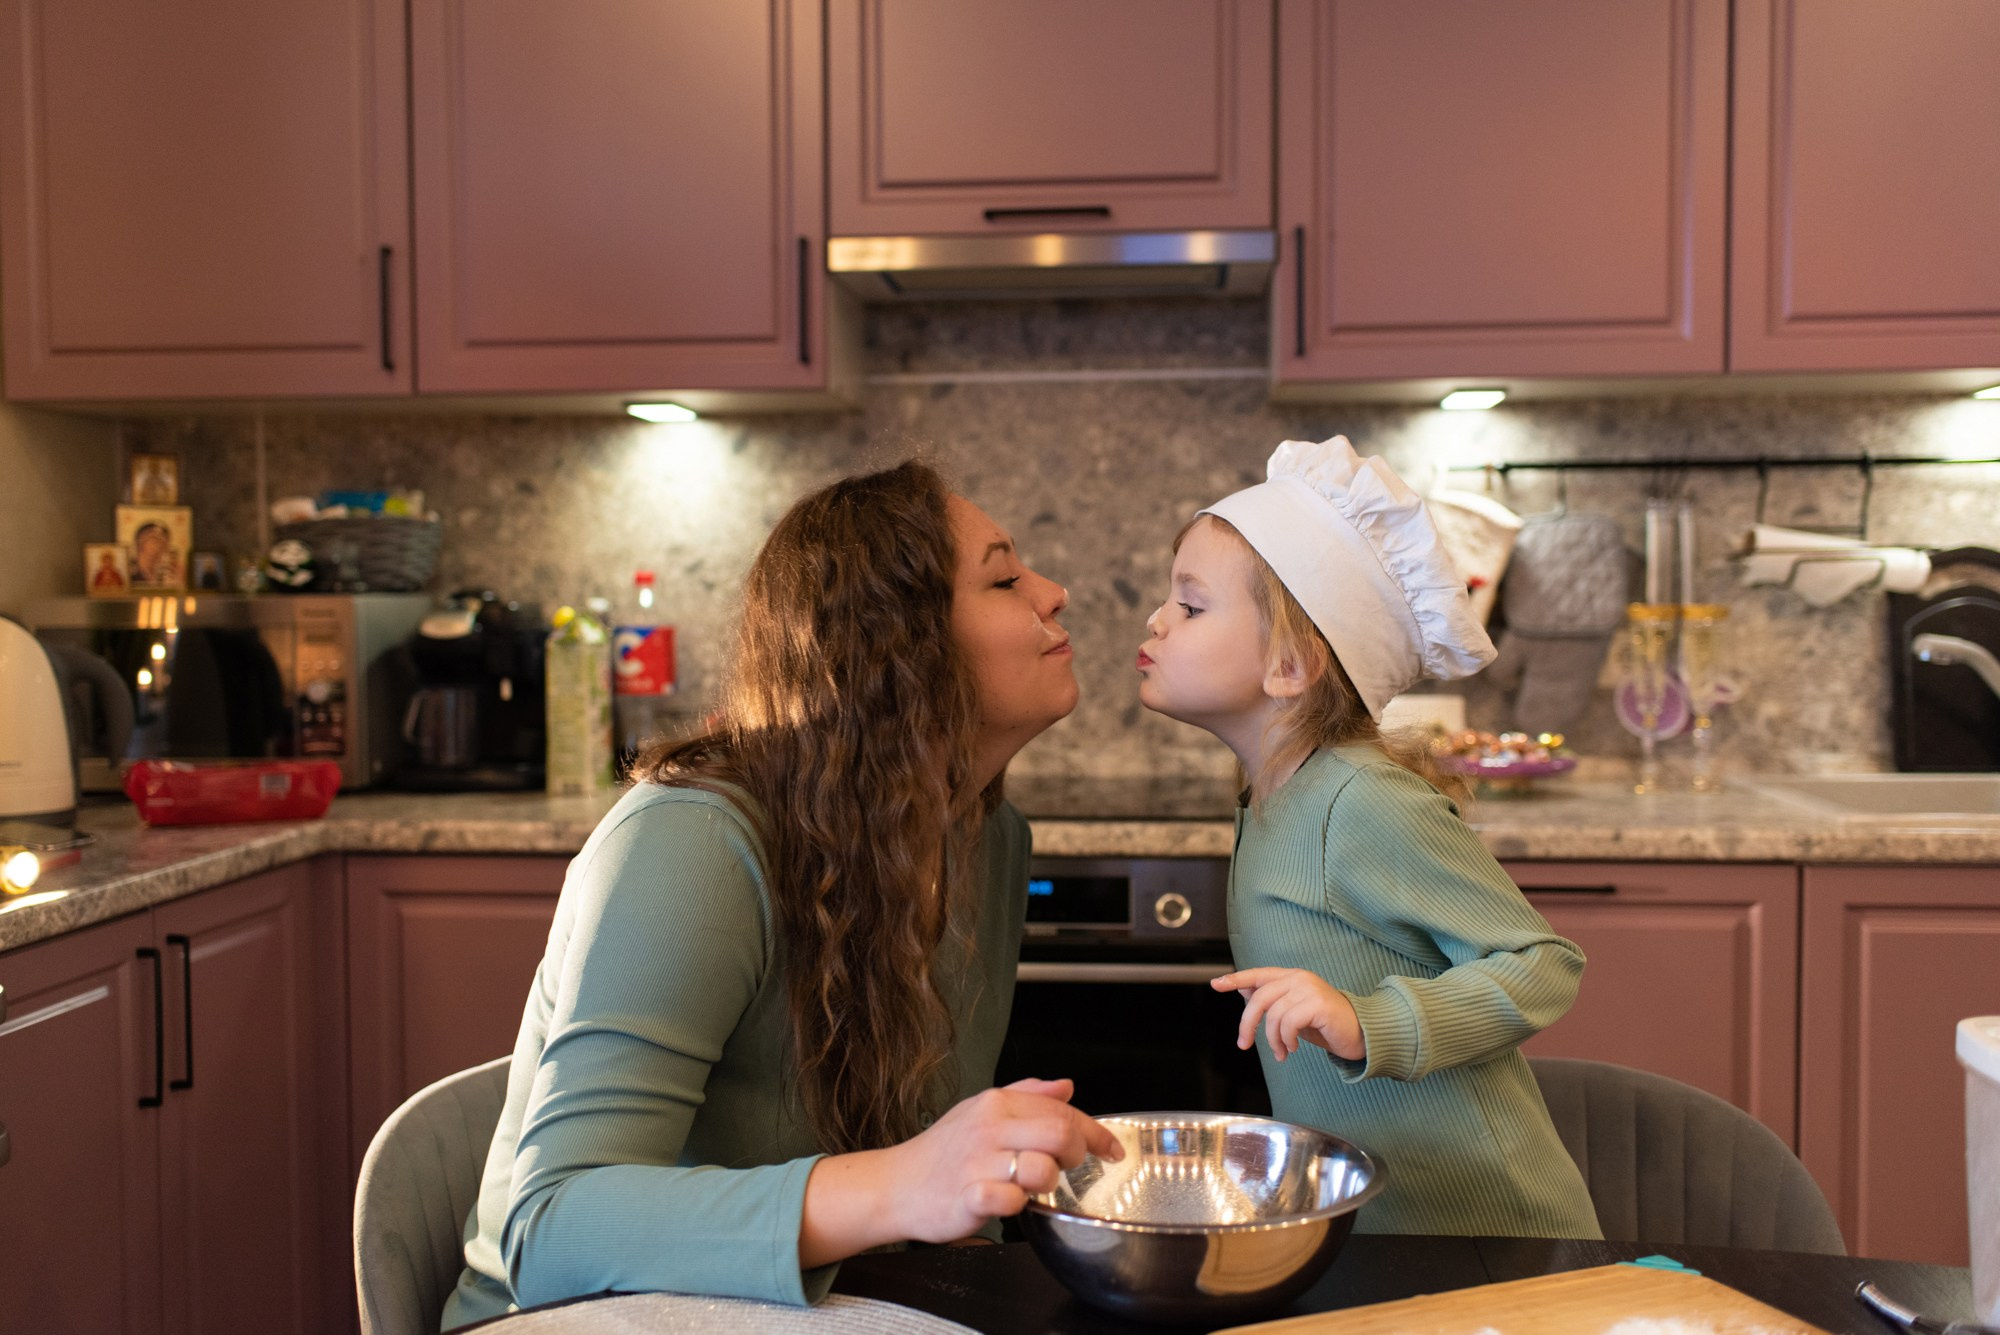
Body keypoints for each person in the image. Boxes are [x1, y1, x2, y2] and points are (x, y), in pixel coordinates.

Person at [442, 462, 1122, 1328]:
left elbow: (931, 1186)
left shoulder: (988, 835)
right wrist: (907, 1182)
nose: (1055, 592)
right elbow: (551, 1231)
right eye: (1003, 577)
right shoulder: (692, 844)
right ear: (895, 650)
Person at [1134, 435, 1602, 1239]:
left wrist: (1366, 1021)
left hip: (1485, 1238)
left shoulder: (1361, 801)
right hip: (1379, 1233)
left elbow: (1542, 964)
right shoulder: (1268, 798)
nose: (1156, 617)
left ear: (1290, 665)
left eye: (1191, 603)